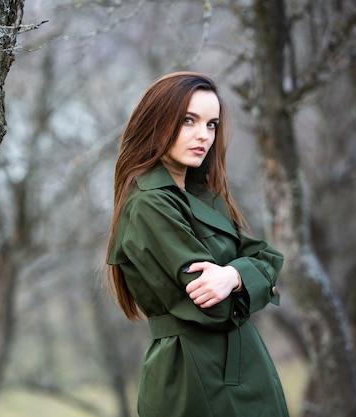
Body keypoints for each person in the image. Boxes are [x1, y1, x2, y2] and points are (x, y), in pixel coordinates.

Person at [106, 72, 289, 417]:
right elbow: (215, 306)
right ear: (158, 120)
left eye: (211, 124)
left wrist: (232, 277)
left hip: (243, 368)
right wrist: (248, 278)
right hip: (195, 375)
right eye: (189, 120)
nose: (203, 135)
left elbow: (268, 258)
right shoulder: (150, 204)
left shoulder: (202, 194)